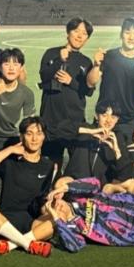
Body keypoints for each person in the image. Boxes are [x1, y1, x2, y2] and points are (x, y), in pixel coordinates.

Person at [88, 17, 134, 191]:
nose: (131, 37)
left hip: (129, 121)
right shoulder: (109, 57)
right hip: (105, 119)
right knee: (102, 165)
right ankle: (101, 200)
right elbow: (91, 82)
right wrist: (96, 65)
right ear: (121, 34)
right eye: (127, 32)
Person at [0, 116, 55, 257]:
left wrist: (48, 207)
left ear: (44, 137)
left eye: (39, 134)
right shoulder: (10, 160)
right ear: (21, 136)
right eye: (29, 134)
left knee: (58, 218)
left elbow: (41, 198)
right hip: (3, 221)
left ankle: (9, 245)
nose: (34, 139)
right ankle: (28, 244)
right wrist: (9, 150)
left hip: (30, 223)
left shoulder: (48, 165)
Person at [38, 17, 95, 167]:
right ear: (68, 32)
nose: (79, 36)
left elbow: (88, 91)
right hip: (51, 120)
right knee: (50, 165)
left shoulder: (86, 62)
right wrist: (59, 61)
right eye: (76, 31)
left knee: (78, 165)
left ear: (87, 38)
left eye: (84, 33)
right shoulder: (51, 53)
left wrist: (71, 82)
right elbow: (44, 76)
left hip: (75, 120)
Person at [64, 100, 134, 191]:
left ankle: (110, 195)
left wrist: (116, 151)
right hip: (78, 183)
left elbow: (126, 175)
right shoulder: (85, 130)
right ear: (96, 116)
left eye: (113, 117)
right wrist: (91, 131)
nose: (108, 120)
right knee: (60, 183)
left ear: (117, 120)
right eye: (104, 115)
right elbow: (58, 130)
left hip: (101, 187)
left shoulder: (118, 139)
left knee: (131, 183)